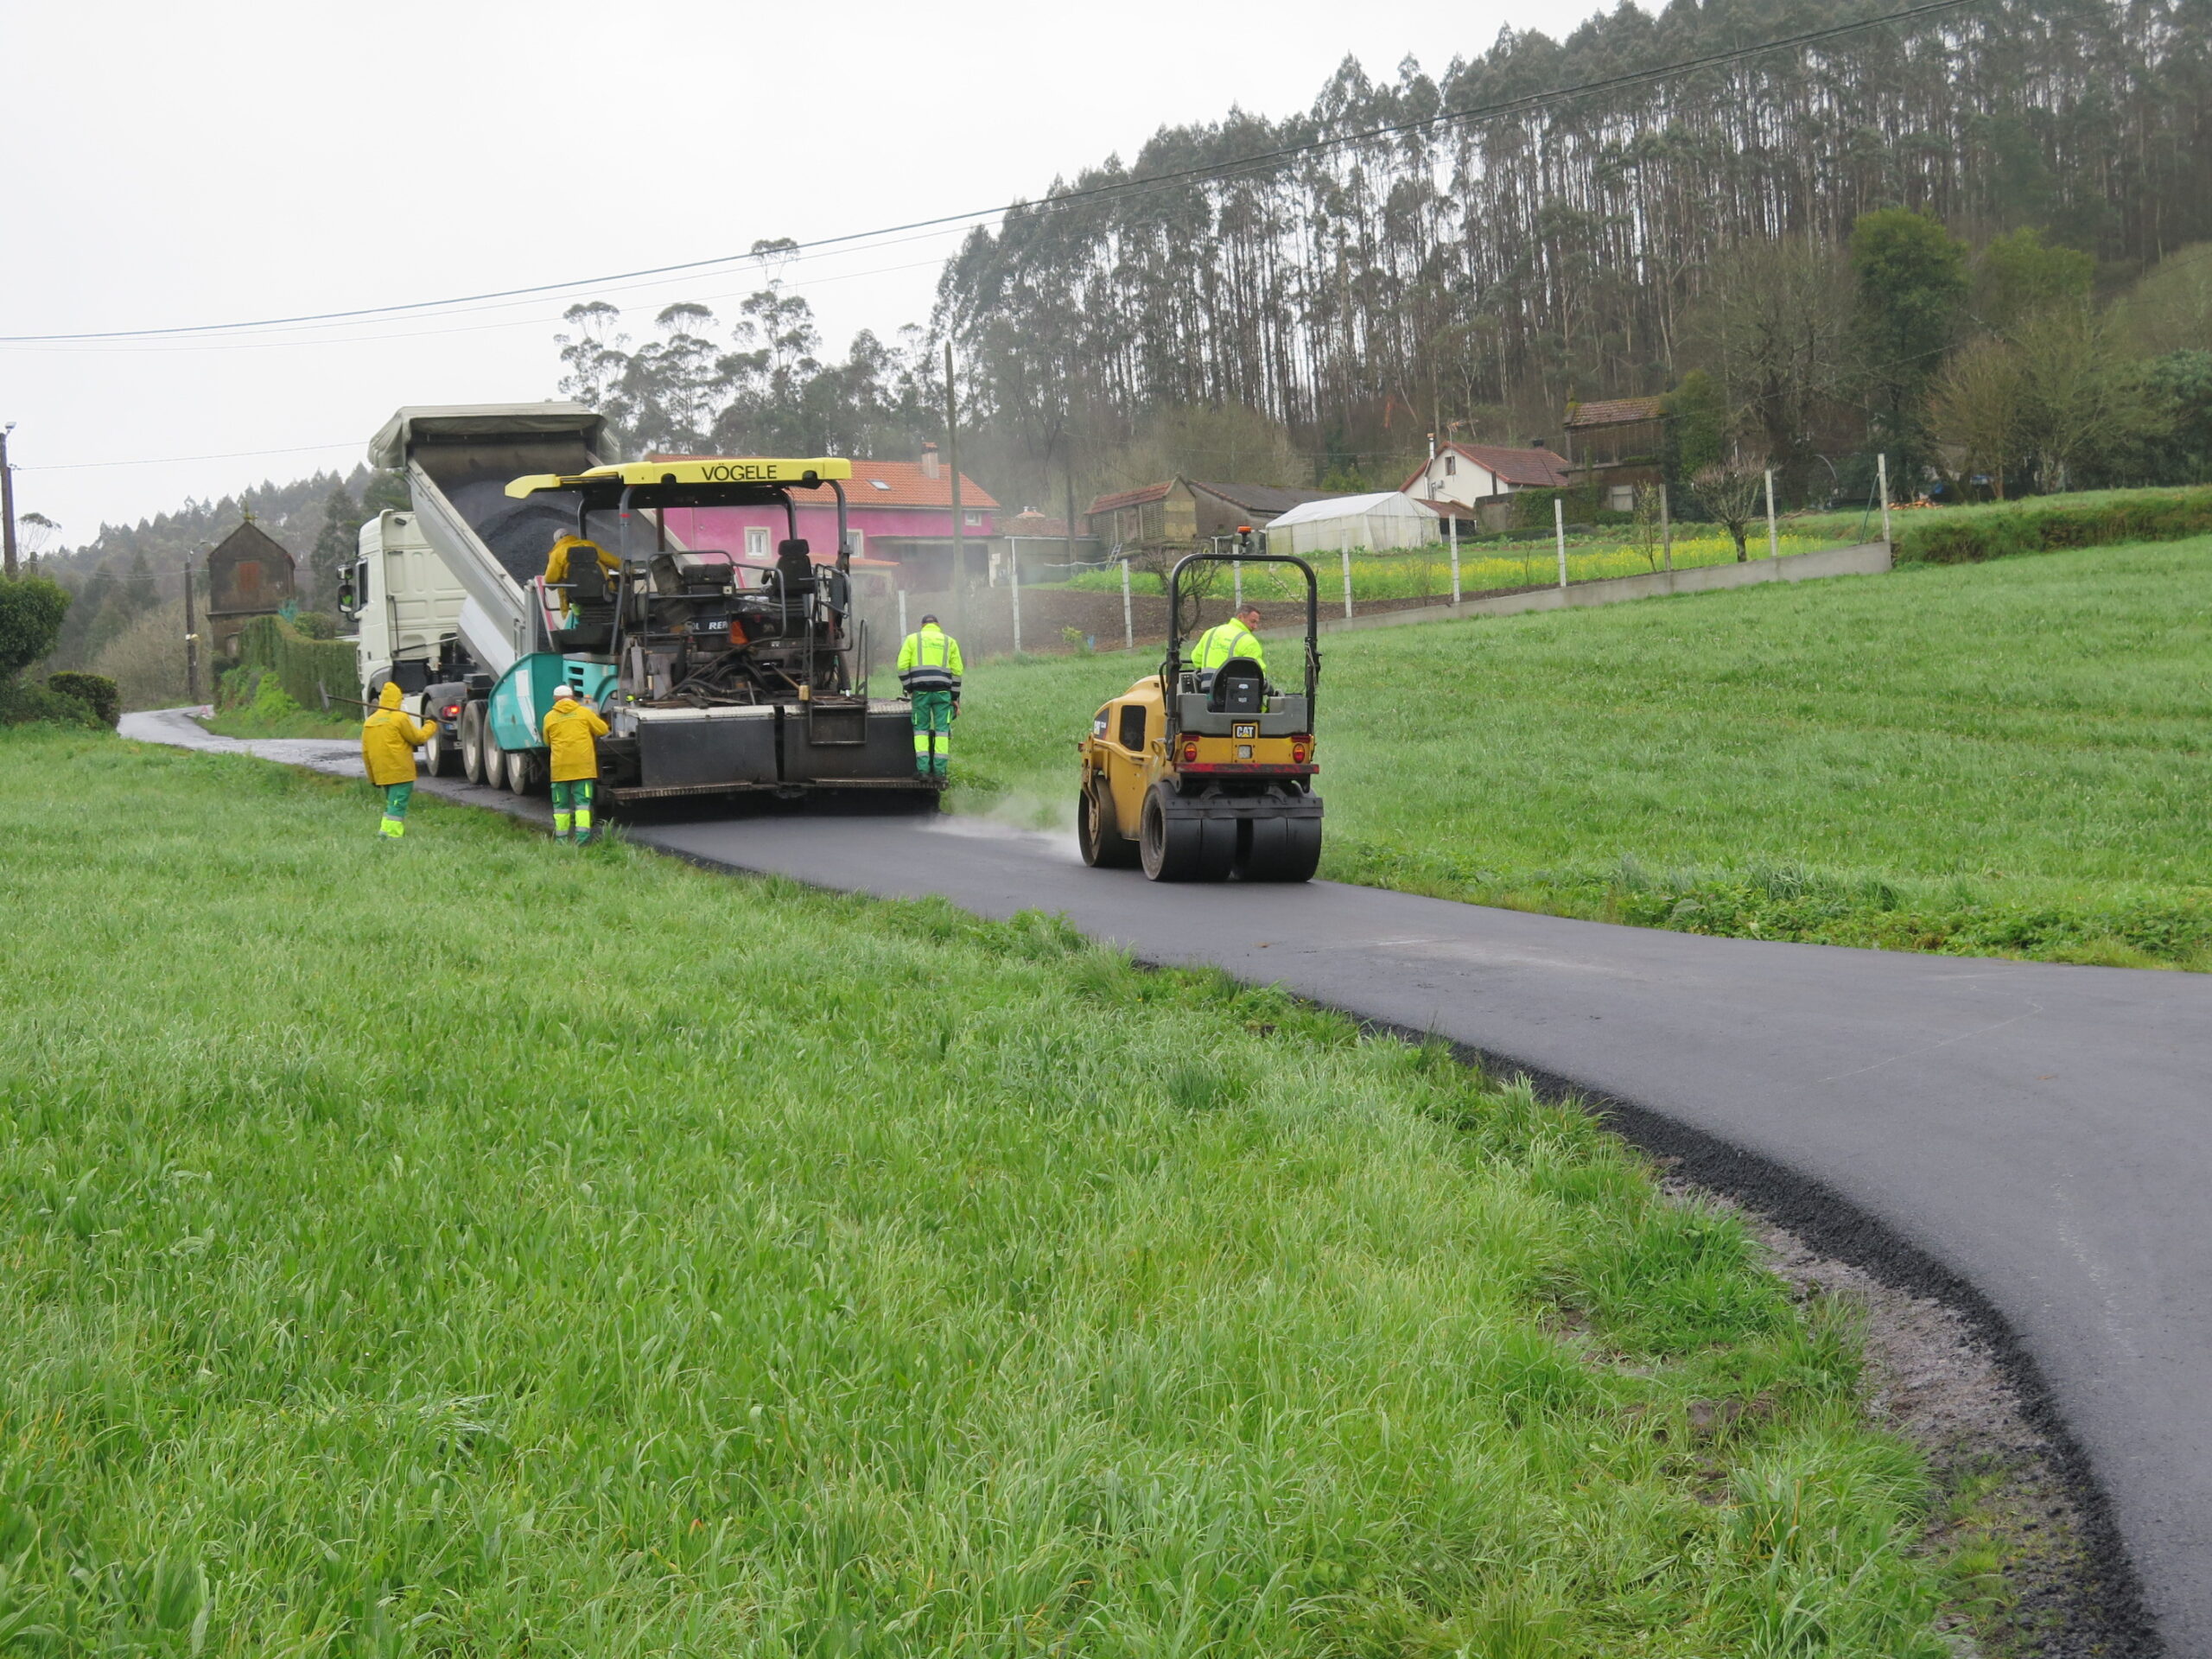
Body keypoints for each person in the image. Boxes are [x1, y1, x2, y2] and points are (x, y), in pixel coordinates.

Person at [360, 681, 436, 840]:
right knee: (398, 805)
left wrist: (372, 777)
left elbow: (366, 754)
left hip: (381, 773)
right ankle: (393, 837)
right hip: (401, 773)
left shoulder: (369, 723)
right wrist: (431, 723)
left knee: (392, 803)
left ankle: (384, 833)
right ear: (397, 699)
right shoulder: (399, 718)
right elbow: (418, 738)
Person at [894, 612, 963, 780]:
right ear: (938, 626)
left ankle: (923, 771)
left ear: (923, 626)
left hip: (921, 693)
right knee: (942, 731)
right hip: (943, 693)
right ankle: (940, 773)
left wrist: (909, 687)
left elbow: (902, 666)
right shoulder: (949, 642)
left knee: (921, 731)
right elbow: (957, 671)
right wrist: (954, 697)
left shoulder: (912, 640)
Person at [542, 683, 611, 844]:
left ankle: (561, 841)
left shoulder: (549, 717)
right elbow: (603, 730)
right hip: (583, 768)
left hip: (560, 769)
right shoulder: (584, 713)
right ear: (572, 698)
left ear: (555, 699)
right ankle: (582, 840)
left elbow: (547, 741)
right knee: (583, 805)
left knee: (561, 808)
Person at [1190, 602, 1267, 679]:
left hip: (1207, 685)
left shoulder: (1211, 632)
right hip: (1233, 689)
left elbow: (1196, 659)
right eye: (1253, 622)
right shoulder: (1248, 641)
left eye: (1257, 623)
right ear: (1240, 617)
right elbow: (1257, 672)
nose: (1255, 627)